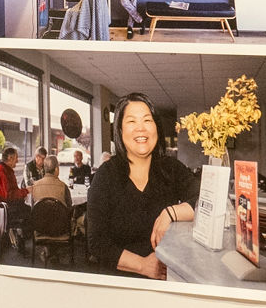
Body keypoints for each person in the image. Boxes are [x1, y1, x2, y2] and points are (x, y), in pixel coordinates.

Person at [85, 94, 199, 280]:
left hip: (166, 282)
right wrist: (143, 266)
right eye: (131, 121)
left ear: (156, 128)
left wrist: (170, 213)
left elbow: (207, 201)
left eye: (147, 120)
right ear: (120, 131)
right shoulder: (106, 176)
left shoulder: (171, 169)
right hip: (119, 284)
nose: (140, 128)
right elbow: (97, 243)